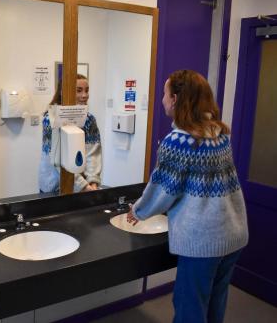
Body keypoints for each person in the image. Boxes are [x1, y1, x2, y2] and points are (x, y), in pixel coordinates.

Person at [127, 69, 249, 323]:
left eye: (164, 93)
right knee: (215, 304)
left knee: (189, 310)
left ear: (175, 99)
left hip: (203, 241)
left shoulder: (178, 141)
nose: (162, 99)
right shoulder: (219, 133)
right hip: (233, 234)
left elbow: (163, 189)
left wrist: (138, 210)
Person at [39, 74, 102, 193]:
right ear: (64, 92)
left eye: (86, 90)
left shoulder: (89, 120)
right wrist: (82, 185)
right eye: (79, 91)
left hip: (83, 184)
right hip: (53, 184)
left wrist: (93, 181)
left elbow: (93, 152)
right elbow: (57, 158)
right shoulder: (51, 119)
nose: (84, 95)